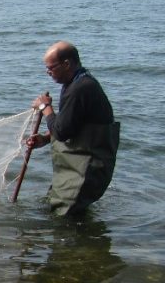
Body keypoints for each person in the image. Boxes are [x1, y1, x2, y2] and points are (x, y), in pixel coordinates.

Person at [27, 41, 119, 217]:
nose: (48, 73)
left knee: (63, 219)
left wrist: (44, 108)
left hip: (86, 169)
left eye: (51, 68)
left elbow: (61, 132)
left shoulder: (80, 89)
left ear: (67, 64)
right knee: (61, 211)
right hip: (79, 168)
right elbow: (71, 125)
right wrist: (46, 138)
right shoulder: (76, 83)